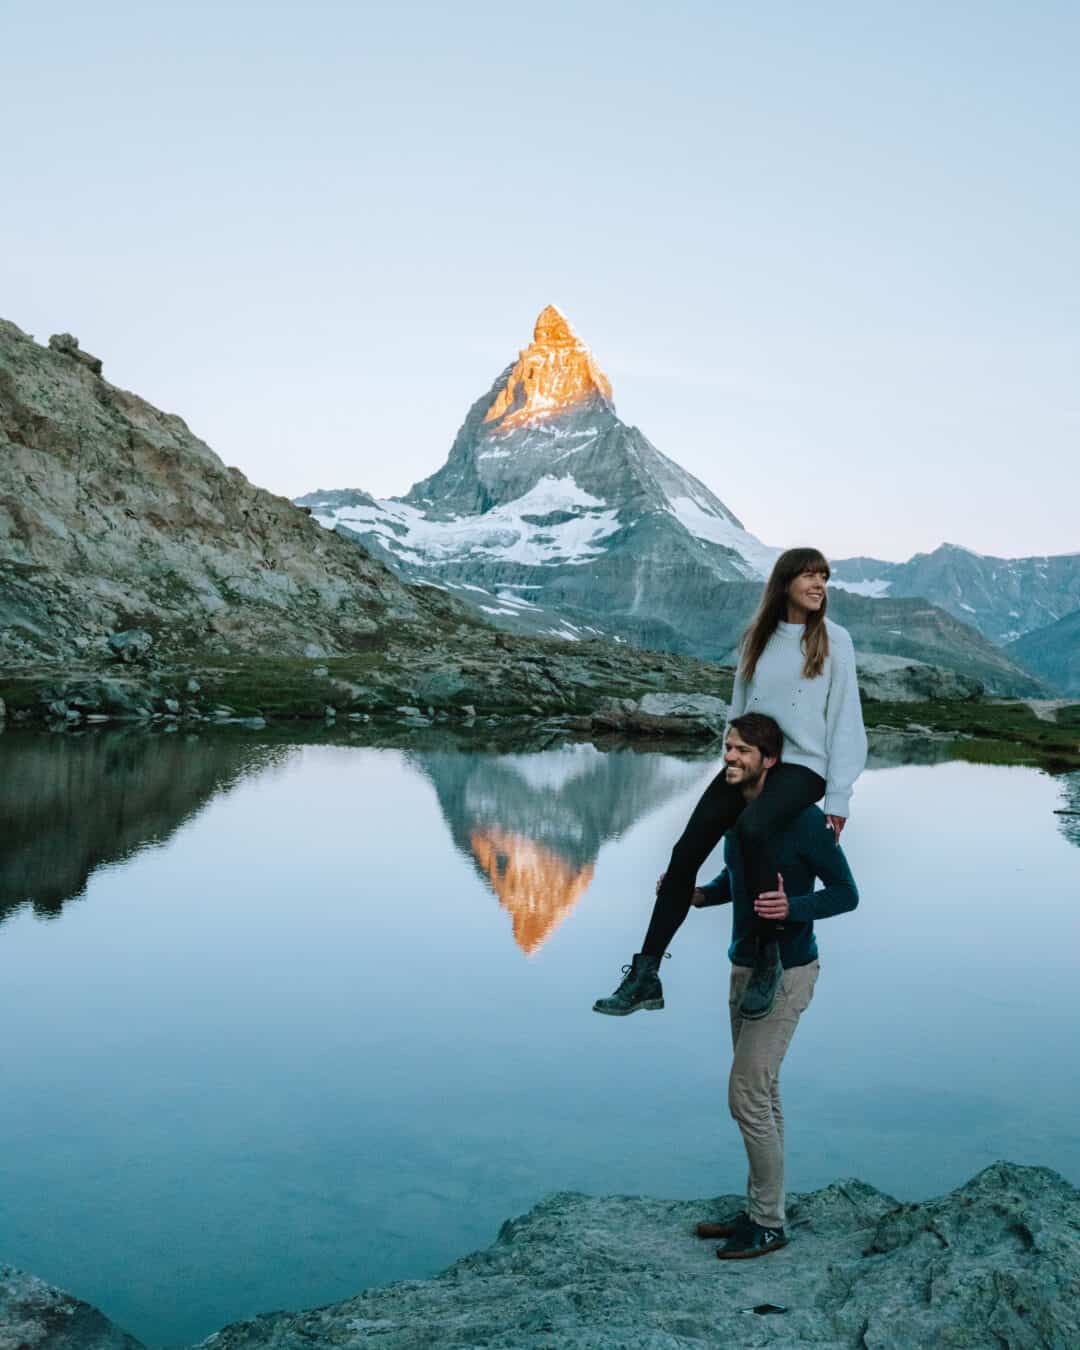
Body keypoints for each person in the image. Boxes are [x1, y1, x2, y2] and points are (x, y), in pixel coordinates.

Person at [593, 546, 866, 1021]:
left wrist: (838, 797)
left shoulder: (834, 641)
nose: (820, 585)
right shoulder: (756, 639)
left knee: (753, 829)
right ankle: (646, 973)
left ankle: (766, 958)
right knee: (685, 852)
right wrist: (735, 758)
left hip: (802, 765)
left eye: (824, 577)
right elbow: (738, 709)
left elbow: (847, 721)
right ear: (785, 584)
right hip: (753, 760)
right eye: (809, 576)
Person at [689, 712, 859, 1259]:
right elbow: (731, 879)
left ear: (770, 761)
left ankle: (768, 1224)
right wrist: (699, 895)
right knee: (764, 1092)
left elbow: (845, 892)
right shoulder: (740, 813)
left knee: (746, 1095)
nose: (730, 757)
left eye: (741, 750)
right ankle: (765, 1209)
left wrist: (794, 907)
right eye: (727, 747)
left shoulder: (804, 820)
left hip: (787, 971)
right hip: (743, 965)